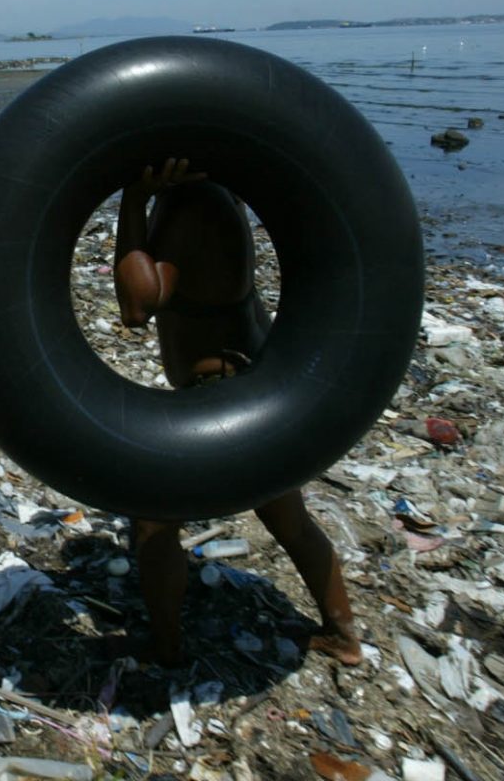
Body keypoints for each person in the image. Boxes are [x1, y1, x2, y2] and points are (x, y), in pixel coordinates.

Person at [114, 158, 361, 666]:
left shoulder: (194, 206)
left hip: (223, 397)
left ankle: (166, 649)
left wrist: (133, 200)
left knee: (153, 520)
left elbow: (138, 307)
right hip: (249, 383)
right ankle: (343, 635)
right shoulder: (221, 193)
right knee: (288, 519)